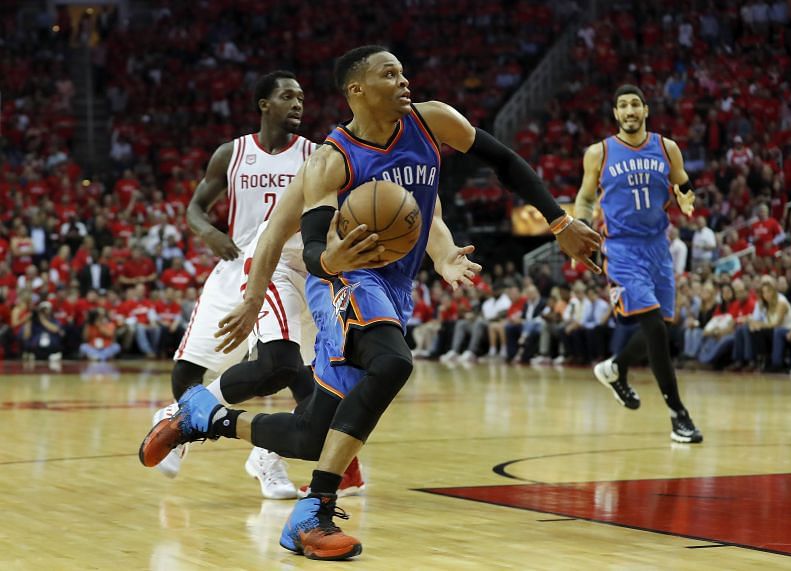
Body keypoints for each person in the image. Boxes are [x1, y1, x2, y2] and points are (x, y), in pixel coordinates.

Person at [140, 45, 601, 560]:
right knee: (393, 361)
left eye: (404, 71)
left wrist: (555, 223)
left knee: (312, 435)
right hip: (342, 278)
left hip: (394, 287)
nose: (405, 81)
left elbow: (502, 162)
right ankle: (313, 511)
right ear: (357, 90)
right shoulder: (331, 160)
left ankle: (206, 417)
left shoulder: (432, 121)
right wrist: (315, 266)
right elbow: (310, 249)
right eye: (390, 74)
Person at [149, 71, 331, 498]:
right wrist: (209, 232)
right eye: (287, 96)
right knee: (191, 366)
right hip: (236, 265)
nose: (298, 104)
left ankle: (264, 456)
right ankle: (184, 420)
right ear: (264, 104)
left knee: (299, 376)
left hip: (288, 269)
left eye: (302, 96)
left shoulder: (315, 155)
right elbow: (195, 207)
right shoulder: (232, 154)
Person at [575, 84, 703, 444]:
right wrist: (579, 231)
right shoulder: (598, 153)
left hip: (659, 248)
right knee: (655, 329)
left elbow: (683, 184)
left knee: (661, 330)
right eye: (622, 106)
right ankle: (679, 414)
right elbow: (585, 198)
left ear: (645, 110)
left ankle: (615, 368)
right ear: (616, 114)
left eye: (635, 104)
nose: (629, 111)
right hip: (621, 249)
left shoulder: (667, 148)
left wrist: (687, 199)